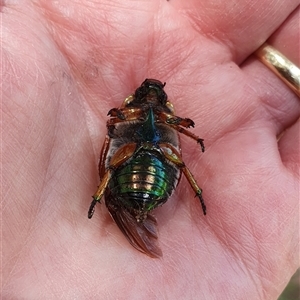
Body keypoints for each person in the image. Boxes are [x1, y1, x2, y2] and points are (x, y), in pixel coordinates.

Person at [2, 0, 299, 299]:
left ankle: (179, 193)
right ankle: (103, 195)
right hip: (138, 159)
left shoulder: (161, 117)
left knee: (171, 162)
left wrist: (188, 133)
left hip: (147, 160)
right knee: (143, 162)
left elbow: (177, 128)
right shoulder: (137, 113)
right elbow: (123, 123)